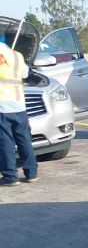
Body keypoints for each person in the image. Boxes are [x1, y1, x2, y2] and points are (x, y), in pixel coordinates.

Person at [0, 34, 38, 186]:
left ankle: (10, 177)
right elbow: (25, 74)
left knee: (5, 142)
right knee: (24, 140)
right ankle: (31, 173)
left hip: (2, 105)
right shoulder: (17, 55)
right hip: (19, 105)